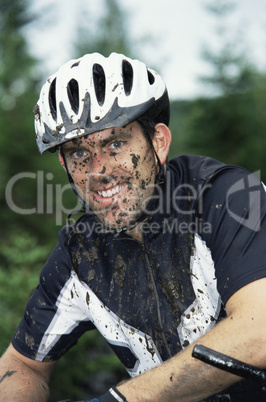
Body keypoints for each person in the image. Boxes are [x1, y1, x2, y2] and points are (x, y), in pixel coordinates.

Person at [0, 52, 266, 402]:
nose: (99, 170)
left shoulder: (227, 196)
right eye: (79, 153)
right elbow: (21, 364)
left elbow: (259, 331)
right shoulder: (80, 254)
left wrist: (124, 399)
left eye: (115, 143)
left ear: (158, 142)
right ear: (64, 164)